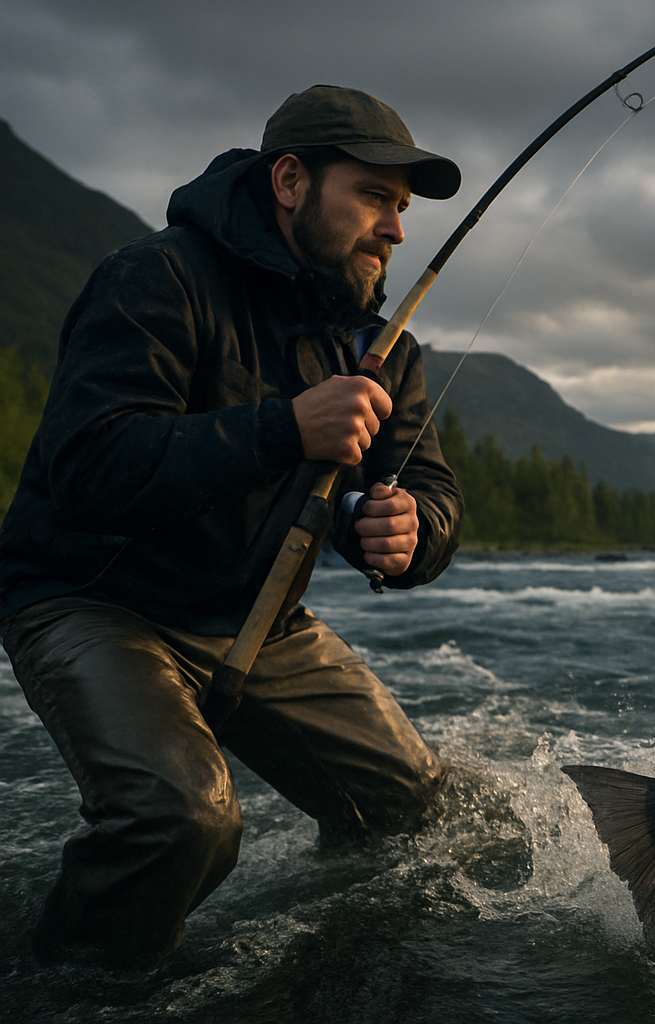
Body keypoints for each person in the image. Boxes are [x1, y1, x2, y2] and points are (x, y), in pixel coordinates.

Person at [0, 85, 465, 969]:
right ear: (290, 180)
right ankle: (65, 988)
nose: (396, 230)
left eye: (402, 208)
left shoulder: (384, 348)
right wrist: (284, 427)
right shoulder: (156, 277)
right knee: (182, 820)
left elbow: (429, 490)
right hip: (92, 602)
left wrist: (409, 532)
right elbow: (89, 466)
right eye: (374, 196)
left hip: (261, 622)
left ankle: (332, 967)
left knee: (415, 807)